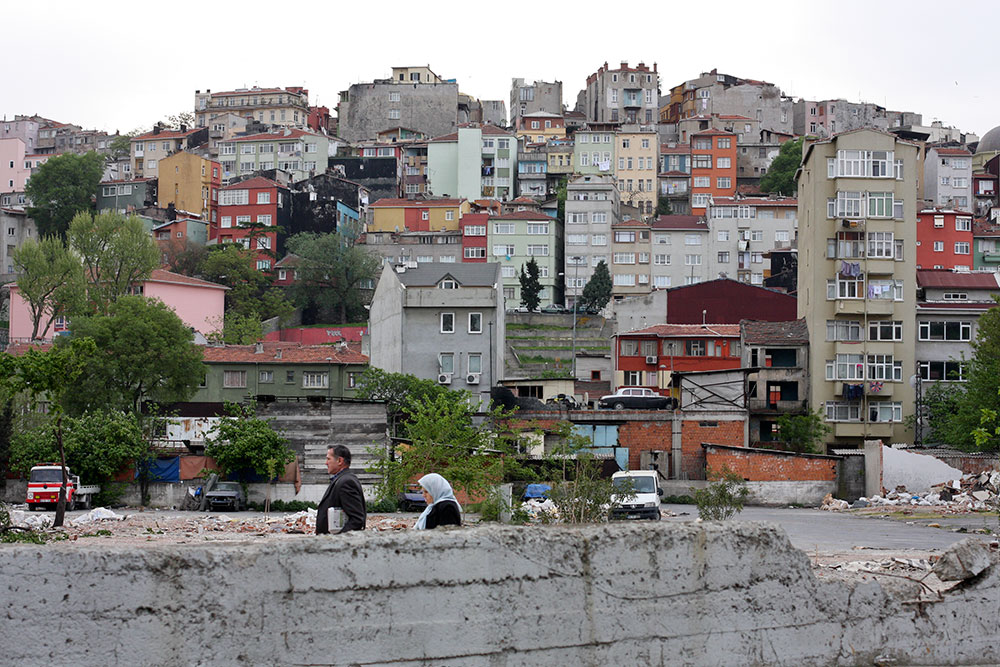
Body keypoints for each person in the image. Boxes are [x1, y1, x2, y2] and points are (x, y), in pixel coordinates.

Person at [316, 444, 366, 534]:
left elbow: (357, 520)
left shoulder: (346, 482)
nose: (326, 463)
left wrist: (337, 540)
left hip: (335, 545)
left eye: (328, 459)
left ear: (339, 461)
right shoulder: (341, 479)